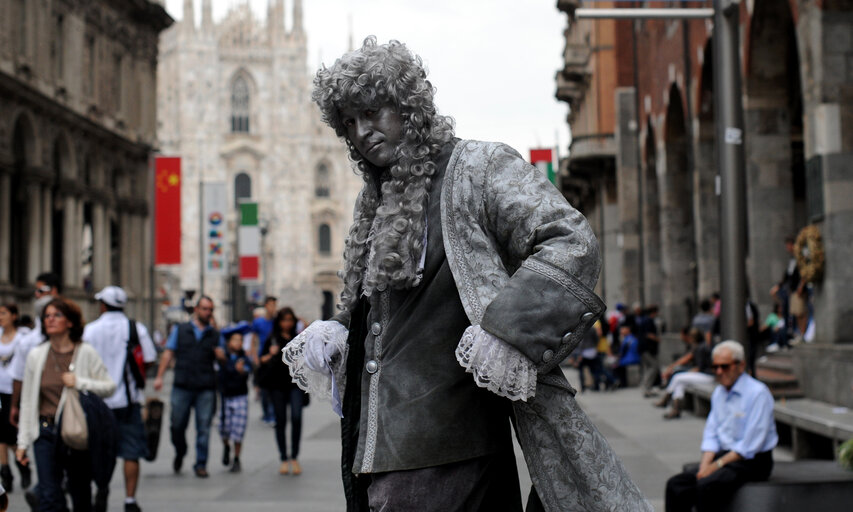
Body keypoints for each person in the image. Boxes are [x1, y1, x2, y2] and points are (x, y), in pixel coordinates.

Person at [283, 37, 649, 511]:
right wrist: (343, 332)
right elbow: (391, 321)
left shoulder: (478, 167)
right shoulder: (374, 201)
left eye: (373, 112)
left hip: (457, 446)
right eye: (349, 122)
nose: (361, 131)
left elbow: (569, 240)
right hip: (378, 452)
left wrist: (509, 332)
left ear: (407, 105)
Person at [16, 298, 116, 512]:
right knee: (49, 495)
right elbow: (28, 401)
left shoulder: (85, 352)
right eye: (47, 316)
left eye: (56, 315)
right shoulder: (37, 355)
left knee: (80, 493)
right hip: (45, 430)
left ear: (70, 322)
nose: (50, 320)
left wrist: (79, 382)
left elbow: (109, 387)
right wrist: (22, 443)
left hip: (75, 433)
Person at [665, 340, 777, 511]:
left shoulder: (757, 393)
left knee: (708, 486)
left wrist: (715, 466)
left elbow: (750, 445)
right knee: (676, 485)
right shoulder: (719, 393)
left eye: (724, 366)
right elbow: (712, 433)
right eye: (715, 367)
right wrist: (705, 465)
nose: (719, 371)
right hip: (726, 456)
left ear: (741, 365)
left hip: (753, 460)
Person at [83, 286, 157, 512]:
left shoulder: (91, 330)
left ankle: (101, 487)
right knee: (131, 451)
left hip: (96, 402)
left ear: (103, 305)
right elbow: (150, 359)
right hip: (128, 400)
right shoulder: (135, 329)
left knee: (96, 450)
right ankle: (130, 499)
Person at [153, 296, 224, 478]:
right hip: (182, 384)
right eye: (204, 309)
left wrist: (221, 356)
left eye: (210, 309)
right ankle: (180, 451)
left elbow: (223, 359)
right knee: (177, 424)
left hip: (205, 386)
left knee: (204, 427)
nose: (207, 313)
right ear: (196, 310)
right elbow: (169, 352)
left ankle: (201, 463)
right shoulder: (181, 329)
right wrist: (159, 376)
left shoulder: (215, 334)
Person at [259, 307, 307, 475]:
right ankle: (283, 458)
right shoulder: (272, 339)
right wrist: (270, 354)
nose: (287, 323)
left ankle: (294, 456)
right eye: (283, 320)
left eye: (290, 320)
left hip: (294, 385)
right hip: (276, 385)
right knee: (280, 420)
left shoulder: (298, 338)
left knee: (296, 417)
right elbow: (261, 360)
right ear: (278, 322)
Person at [0, 304, 30, 492]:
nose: (0, 317)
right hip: (0, 391)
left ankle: (22, 464)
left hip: (15, 392)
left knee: (12, 436)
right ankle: (6, 471)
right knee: (0, 434)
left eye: (3, 313)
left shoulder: (22, 338)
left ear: (14, 316)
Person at [655, 328, 714, 419]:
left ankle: (666, 399)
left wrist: (686, 372)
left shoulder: (702, 348)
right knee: (680, 383)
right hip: (703, 375)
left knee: (678, 377)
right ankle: (676, 409)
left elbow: (700, 367)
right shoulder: (698, 347)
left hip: (708, 376)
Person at [217, 323, 253, 473]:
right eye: (235, 340)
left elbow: (249, 368)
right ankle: (226, 446)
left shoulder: (243, 358)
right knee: (224, 429)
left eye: (240, 340)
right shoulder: (223, 357)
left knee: (238, 430)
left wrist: (243, 370)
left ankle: (236, 458)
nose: (238, 343)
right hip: (226, 397)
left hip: (240, 397)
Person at [250, 297, 277, 425]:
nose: (273, 308)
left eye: (274, 305)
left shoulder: (277, 321)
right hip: (262, 358)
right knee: (263, 389)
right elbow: (253, 339)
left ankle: (272, 414)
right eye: (271, 305)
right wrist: (254, 356)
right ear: (266, 306)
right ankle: (266, 412)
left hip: (274, 359)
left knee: (273, 387)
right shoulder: (258, 322)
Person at [639, 305, 661, 397]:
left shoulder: (644, 319)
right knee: (653, 367)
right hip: (647, 348)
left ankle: (647, 388)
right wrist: (657, 339)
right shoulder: (648, 320)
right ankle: (646, 388)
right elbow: (648, 334)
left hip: (644, 348)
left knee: (649, 367)